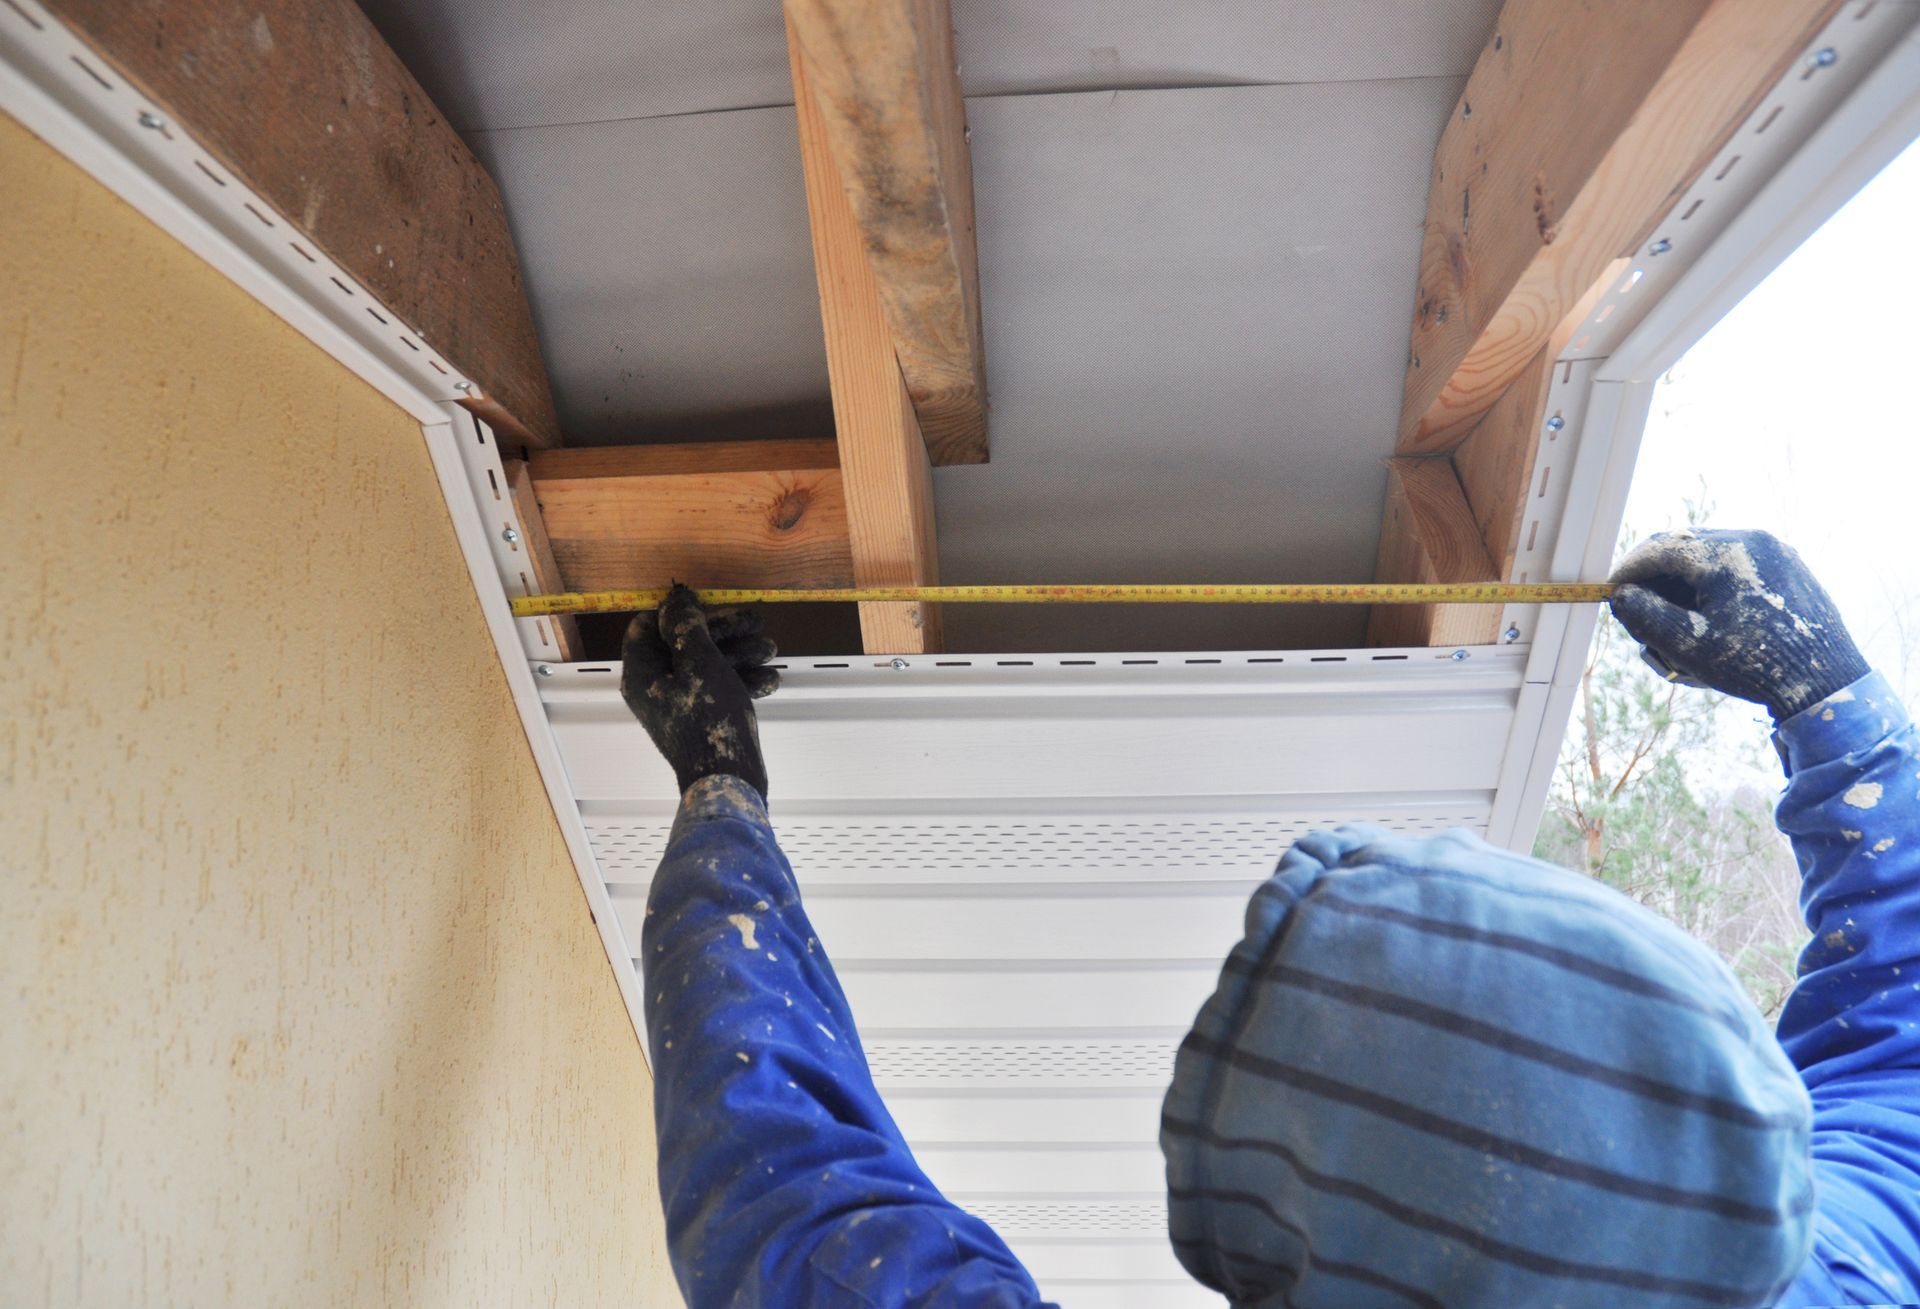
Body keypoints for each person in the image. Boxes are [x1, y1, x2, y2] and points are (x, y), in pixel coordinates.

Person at [625, 529, 1918, 1309]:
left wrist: (717, 790)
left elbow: (783, 1192)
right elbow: (1904, 1038)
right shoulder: (1827, 1269)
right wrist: (1836, 705)